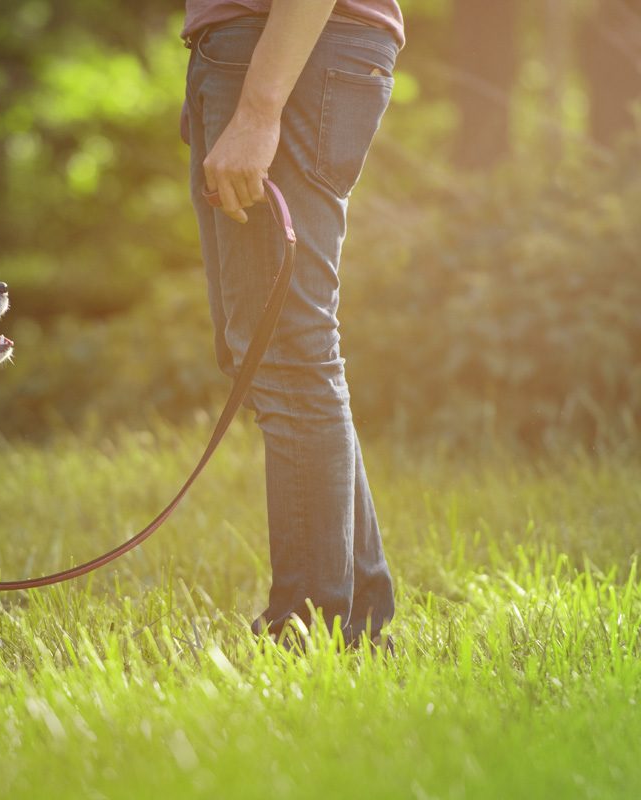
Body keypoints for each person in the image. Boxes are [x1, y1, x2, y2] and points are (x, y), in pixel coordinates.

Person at [182, 0, 403, 650]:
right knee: (270, 352)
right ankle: (356, 621)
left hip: (287, 47)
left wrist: (256, 109)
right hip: (256, 51)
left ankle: (311, 631)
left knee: (287, 355)